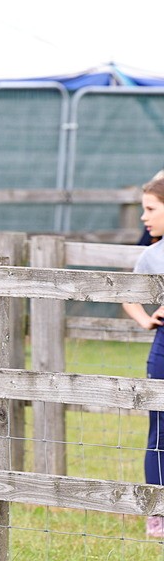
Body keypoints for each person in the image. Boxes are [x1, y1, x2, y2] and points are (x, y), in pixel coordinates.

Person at [120, 175, 164, 538]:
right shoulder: (152, 254)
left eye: (150, 209)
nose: (143, 219)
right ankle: (158, 516)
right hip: (163, 349)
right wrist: (147, 320)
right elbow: (127, 293)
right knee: (160, 433)